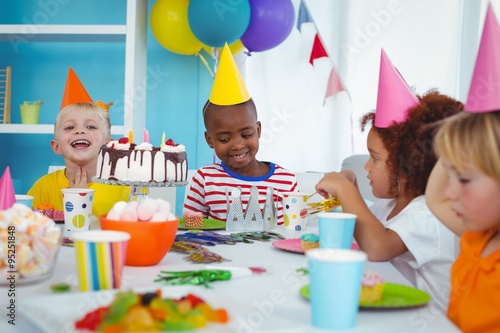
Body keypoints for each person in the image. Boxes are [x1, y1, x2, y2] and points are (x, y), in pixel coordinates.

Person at [314, 50, 462, 312]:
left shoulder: (430, 213)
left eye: (374, 158)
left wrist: (348, 191)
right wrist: (353, 187)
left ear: (408, 166)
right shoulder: (388, 206)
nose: (366, 167)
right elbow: (365, 231)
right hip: (393, 312)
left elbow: (378, 246)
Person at [425, 5, 500, 331]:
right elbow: (436, 198)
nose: (450, 190)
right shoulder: (477, 240)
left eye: (465, 178)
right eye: (450, 172)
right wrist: (468, 129)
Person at [184, 44, 297, 224]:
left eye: (246, 135)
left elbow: (293, 232)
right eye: (224, 139)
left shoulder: (286, 180)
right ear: (209, 140)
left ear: (258, 130)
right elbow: (192, 230)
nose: (237, 145)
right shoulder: (205, 180)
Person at [28, 68, 129, 220]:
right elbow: (17, 229)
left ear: (108, 146)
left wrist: (82, 200)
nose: (80, 131)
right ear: (57, 146)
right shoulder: (43, 187)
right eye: (69, 127)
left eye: (91, 127)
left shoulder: (121, 187)